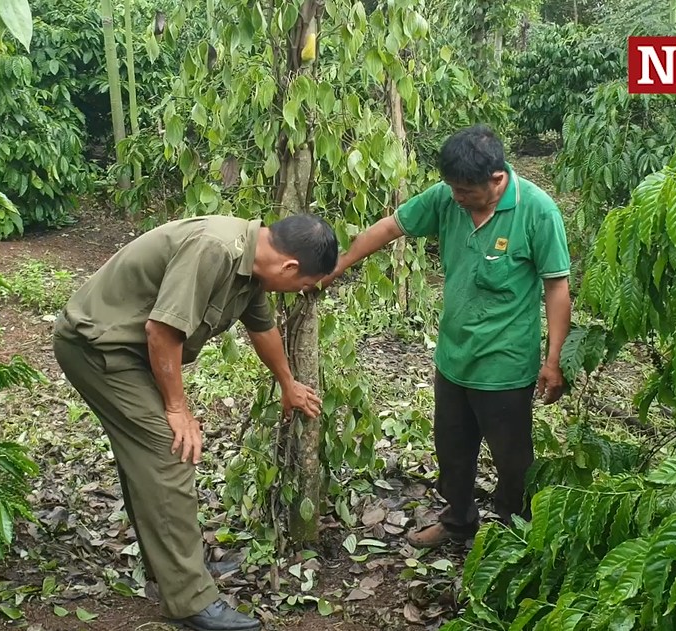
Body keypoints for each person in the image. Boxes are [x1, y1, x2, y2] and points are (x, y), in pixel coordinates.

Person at [52, 213, 338, 631]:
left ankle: (172, 570)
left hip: (132, 352)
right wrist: (177, 409)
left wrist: (288, 383)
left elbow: (262, 328)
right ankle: (190, 601)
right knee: (169, 454)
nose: (301, 292)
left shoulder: (252, 265)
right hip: (100, 350)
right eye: (304, 285)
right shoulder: (215, 248)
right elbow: (161, 331)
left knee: (150, 459)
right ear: (290, 267)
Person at [319, 125, 572, 548]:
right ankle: (458, 521)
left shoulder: (538, 212)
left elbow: (557, 287)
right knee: (452, 451)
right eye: (452, 187)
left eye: (465, 190)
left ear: (496, 179)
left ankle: (514, 532)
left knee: (513, 460)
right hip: (453, 359)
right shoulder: (446, 198)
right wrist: (337, 267)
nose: (457, 197)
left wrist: (553, 359)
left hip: (505, 365)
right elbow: (389, 227)